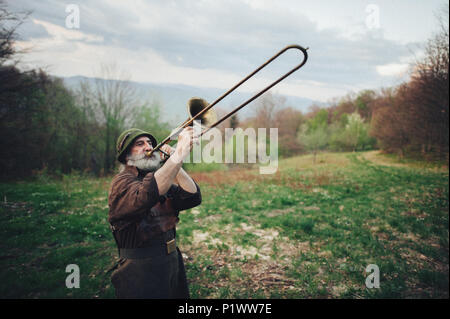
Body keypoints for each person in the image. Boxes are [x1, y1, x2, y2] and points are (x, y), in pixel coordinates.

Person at [108, 127, 201, 298]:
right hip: (140, 269)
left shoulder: (156, 180)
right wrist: (178, 154)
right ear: (126, 156)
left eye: (150, 143)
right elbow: (146, 194)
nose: (148, 147)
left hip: (171, 261)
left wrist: (174, 163)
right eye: (139, 143)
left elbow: (192, 196)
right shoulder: (121, 182)